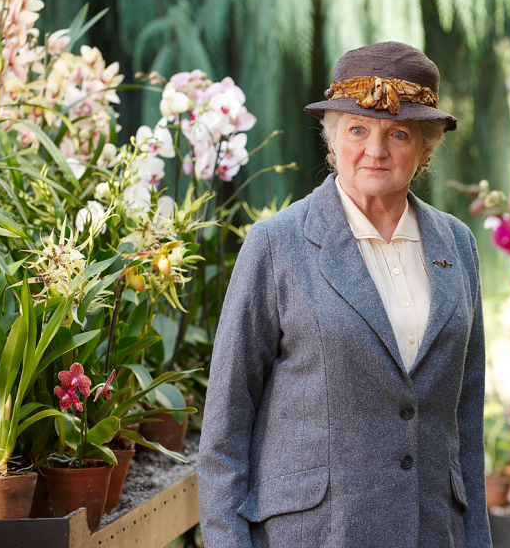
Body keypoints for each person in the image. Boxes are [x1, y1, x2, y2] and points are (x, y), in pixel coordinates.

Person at [199, 41, 492, 547]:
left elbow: (465, 424)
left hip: (431, 533)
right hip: (315, 535)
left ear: (424, 150)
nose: (374, 151)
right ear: (332, 141)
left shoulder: (458, 245)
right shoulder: (276, 245)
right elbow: (225, 433)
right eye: (357, 130)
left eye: (397, 134)